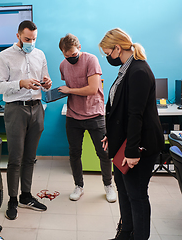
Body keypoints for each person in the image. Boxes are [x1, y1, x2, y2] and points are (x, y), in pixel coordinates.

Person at [99, 28, 164, 240]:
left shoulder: (138, 71)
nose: (108, 57)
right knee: (124, 190)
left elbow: (136, 115)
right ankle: (125, 233)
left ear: (118, 48)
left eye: (108, 53)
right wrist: (113, 134)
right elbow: (121, 110)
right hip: (125, 142)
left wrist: (132, 151)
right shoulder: (127, 70)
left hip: (139, 145)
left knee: (136, 195)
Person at [0, 20, 52, 220]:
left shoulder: (40, 54)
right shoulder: (4, 56)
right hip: (16, 110)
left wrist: (47, 83)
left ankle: (25, 196)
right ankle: (12, 199)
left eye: (34, 39)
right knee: (15, 158)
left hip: (37, 109)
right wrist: (20, 83)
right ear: (18, 35)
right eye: (28, 39)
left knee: (30, 158)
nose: (31, 42)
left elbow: (45, 80)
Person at [58, 33, 116, 203]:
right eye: (66, 56)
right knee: (74, 153)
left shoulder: (91, 60)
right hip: (73, 116)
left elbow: (92, 89)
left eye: (73, 55)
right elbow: (69, 85)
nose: (70, 59)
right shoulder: (63, 65)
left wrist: (69, 91)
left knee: (104, 154)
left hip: (95, 115)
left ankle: (108, 185)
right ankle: (79, 186)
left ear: (79, 48)